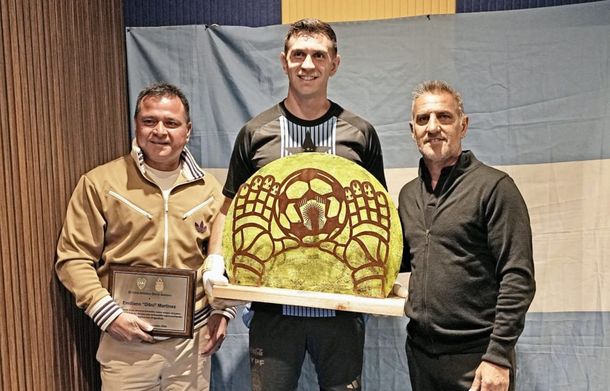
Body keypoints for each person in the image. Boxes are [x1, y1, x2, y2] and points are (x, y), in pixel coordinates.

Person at [210, 18, 387, 391]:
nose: (308, 64)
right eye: (299, 54)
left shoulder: (360, 134)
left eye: (318, 55)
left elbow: (379, 218)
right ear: (283, 61)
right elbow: (229, 210)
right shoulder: (256, 134)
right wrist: (215, 261)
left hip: (342, 311)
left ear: (334, 63)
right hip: (273, 313)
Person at [55, 83, 236, 390]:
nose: (160, 131)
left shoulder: (212, 191)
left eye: (171, 123)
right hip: (124, 345)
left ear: (188, 130)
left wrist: (223, 309)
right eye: (149, 121)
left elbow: (229, 259)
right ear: (136, 124)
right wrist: (108, 314)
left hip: (191, 348)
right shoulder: (100, 183)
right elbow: (73, 258)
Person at [398, 80, 536, 391]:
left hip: (478, 361)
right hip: (421, 356)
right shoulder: (408, 196)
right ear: (412, 130)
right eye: (423, 119)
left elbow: (518, 277)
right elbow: (398, 260)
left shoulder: (495, 188)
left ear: (464, 125)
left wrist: (498, 356)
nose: (433, 127)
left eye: (444, 117)